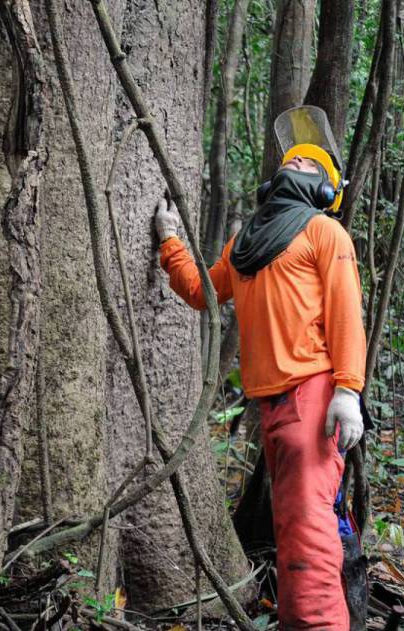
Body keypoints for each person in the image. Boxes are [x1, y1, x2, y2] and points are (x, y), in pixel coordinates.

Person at [155, 135, 365, 630]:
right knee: (296, 526)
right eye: (296, 161)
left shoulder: (323, 233)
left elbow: (346, 315)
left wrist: (347, 391)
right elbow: (201, 291)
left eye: (304, 165)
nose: (297, 164)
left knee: (308, 530)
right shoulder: (247, 243)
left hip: (312, 399)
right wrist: (169, 240)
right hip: (275, 406)